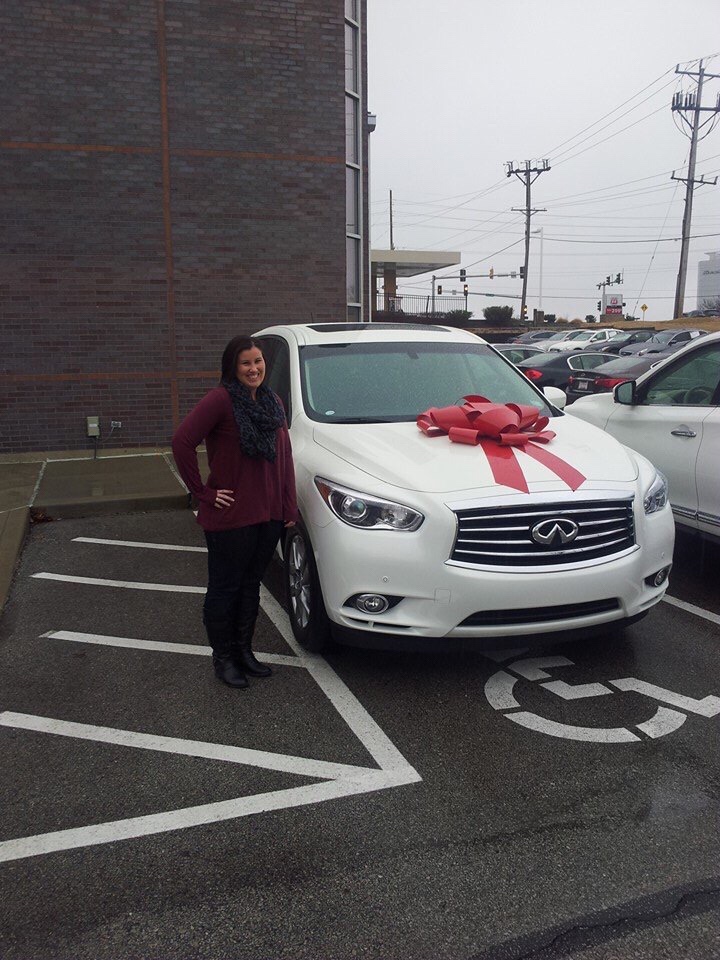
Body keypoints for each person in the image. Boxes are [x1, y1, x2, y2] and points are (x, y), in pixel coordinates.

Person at [172, 336, 297, 689]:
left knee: (250, 586)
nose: (254, 369)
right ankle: (224, 659)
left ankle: (244, 652)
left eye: (258, 361)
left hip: (267, 515)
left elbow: (285, 456)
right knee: (225, 589)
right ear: (232, 367)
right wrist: (202, 492)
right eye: (246, 363)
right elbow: (182, 441)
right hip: (231, 518)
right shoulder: (221, 400)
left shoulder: (273, 402)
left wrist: (288, 504)